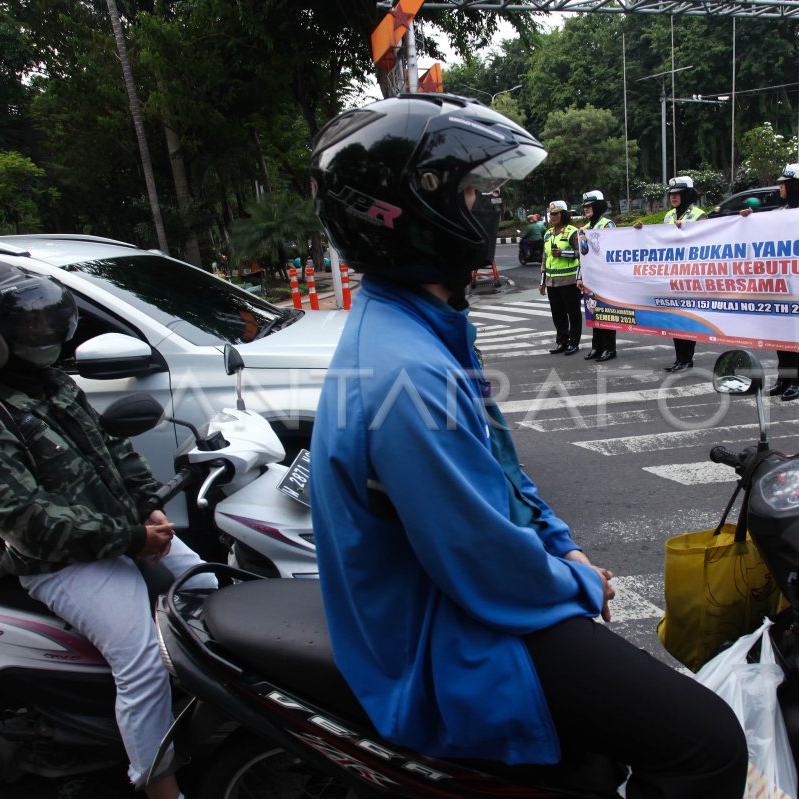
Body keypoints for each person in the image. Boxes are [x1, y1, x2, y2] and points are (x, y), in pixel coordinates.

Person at [307, 94, 747, 799]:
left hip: (467, 605)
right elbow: (482, 562)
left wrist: (562, 543)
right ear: (409, 209)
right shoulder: (407, 372)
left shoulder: (424, 325)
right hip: (448, 640)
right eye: (475, 190)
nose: (489, 205)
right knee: (710, 742)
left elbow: (503, 474)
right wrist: (576, 580)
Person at [0, 261, 216, 799]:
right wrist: (130, 539)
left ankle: (209, 711)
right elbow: (28, 524)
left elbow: (114, 450)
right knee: (142, 661)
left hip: (120, 534)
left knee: (205, 589)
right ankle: (157, 783)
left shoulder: (52, 384)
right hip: (59, 565)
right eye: (22, 324)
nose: (41, 331)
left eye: (41, 319)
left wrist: (147, 508)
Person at [740, 163, 799, 401]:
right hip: (780, 285)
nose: (780, 187)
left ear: (796, 185)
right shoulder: (780, 212)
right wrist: (748, 220)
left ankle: (798, 382)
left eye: (784, 183)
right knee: (782, 335)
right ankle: (784, 380)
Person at [635, 176, 706, 371]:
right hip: (671, 274)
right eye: (671, 194)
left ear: (687, 194)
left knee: (686, 318)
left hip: (690, 275)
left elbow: (706, 243)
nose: (673, 197)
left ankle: (687, 358)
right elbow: (659, 239)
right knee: (675, 319)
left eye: (678, 193)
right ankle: (679, 358)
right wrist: (642, 231)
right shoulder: (668, 216)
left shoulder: (699, 215)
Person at [577, 189, 618, 362]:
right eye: (585, 206)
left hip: (605, 278)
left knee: (606, 312)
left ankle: (610, 348)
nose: (586, 208)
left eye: (590, 205)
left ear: (598, 206)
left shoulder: (608, 225)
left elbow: (613, 251)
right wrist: (579, 276)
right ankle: (597, 347)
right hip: (590, 279)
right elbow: (582, 256)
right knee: (593, 312)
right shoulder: (584, 229)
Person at [540, 200, 583, 355]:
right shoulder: (547, 234)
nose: (552, 216)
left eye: (556, 213)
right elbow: (545, 258)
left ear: (563, 214)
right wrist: (542, 281)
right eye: (551, 214)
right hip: (552, 282)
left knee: (573, 313)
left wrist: (564, 253)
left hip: (570, 280)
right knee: (557, 314)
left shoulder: (573, 232)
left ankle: (574, 342)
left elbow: (583, 254)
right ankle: (562, 342)